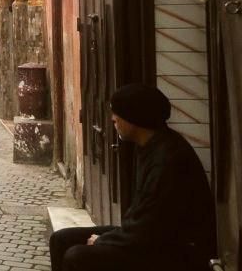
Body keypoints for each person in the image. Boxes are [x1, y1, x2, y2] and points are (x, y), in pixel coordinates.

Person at [48, 83, 216, 271]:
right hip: (147, 237)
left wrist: (103, 241)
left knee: (77, 256)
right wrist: (109, 238)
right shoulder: (147, 146)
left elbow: (151, 227)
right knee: (61, 239)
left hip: (174, 249)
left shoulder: (168, 159)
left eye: (117, 114)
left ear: (134, 117)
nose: (113, 119)